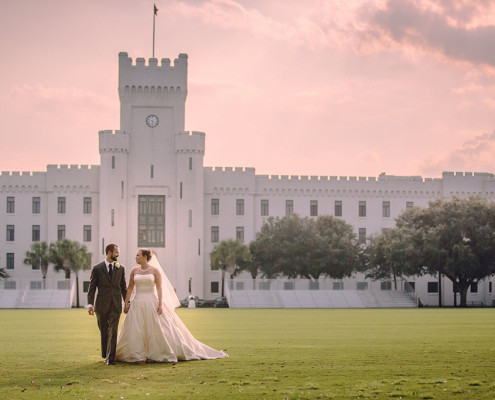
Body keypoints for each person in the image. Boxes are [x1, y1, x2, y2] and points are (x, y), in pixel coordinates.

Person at [115, 248, 228, 363]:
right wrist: (127, 303)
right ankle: (138, 355)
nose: (136, 257)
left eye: (138, 255)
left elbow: (159, 288)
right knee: (136, 330)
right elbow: (130, 288)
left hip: (151, 302)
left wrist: (160, 304)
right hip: (137, 302)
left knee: (156, 329)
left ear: (145, 257)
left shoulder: (155, 271)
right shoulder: (134, 271)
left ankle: (155, 353)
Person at [87, 243, 127, 365]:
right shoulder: (97, 268)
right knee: (104, 331)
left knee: (113, 331)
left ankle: (110, 358)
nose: (118, 255)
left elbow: (123, 287)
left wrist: (127, 302)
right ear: (109, 252)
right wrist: (90, 304)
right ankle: (105, 353)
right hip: (101, 306)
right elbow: (92, 288)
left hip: (116, 305)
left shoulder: (121, 268)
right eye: (116, 252)